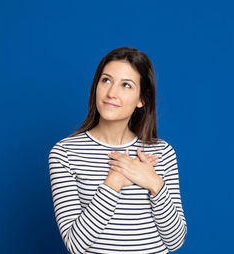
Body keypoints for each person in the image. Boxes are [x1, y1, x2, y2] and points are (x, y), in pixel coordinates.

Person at [48, 47, 187, 254]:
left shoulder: (162, 152)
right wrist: (115, 181)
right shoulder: (65, 153)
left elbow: (175, 241)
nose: (111, 93)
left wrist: (153, 182)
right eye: (106, 80)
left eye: (126, 85)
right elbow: (75, 245)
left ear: (143, 99)